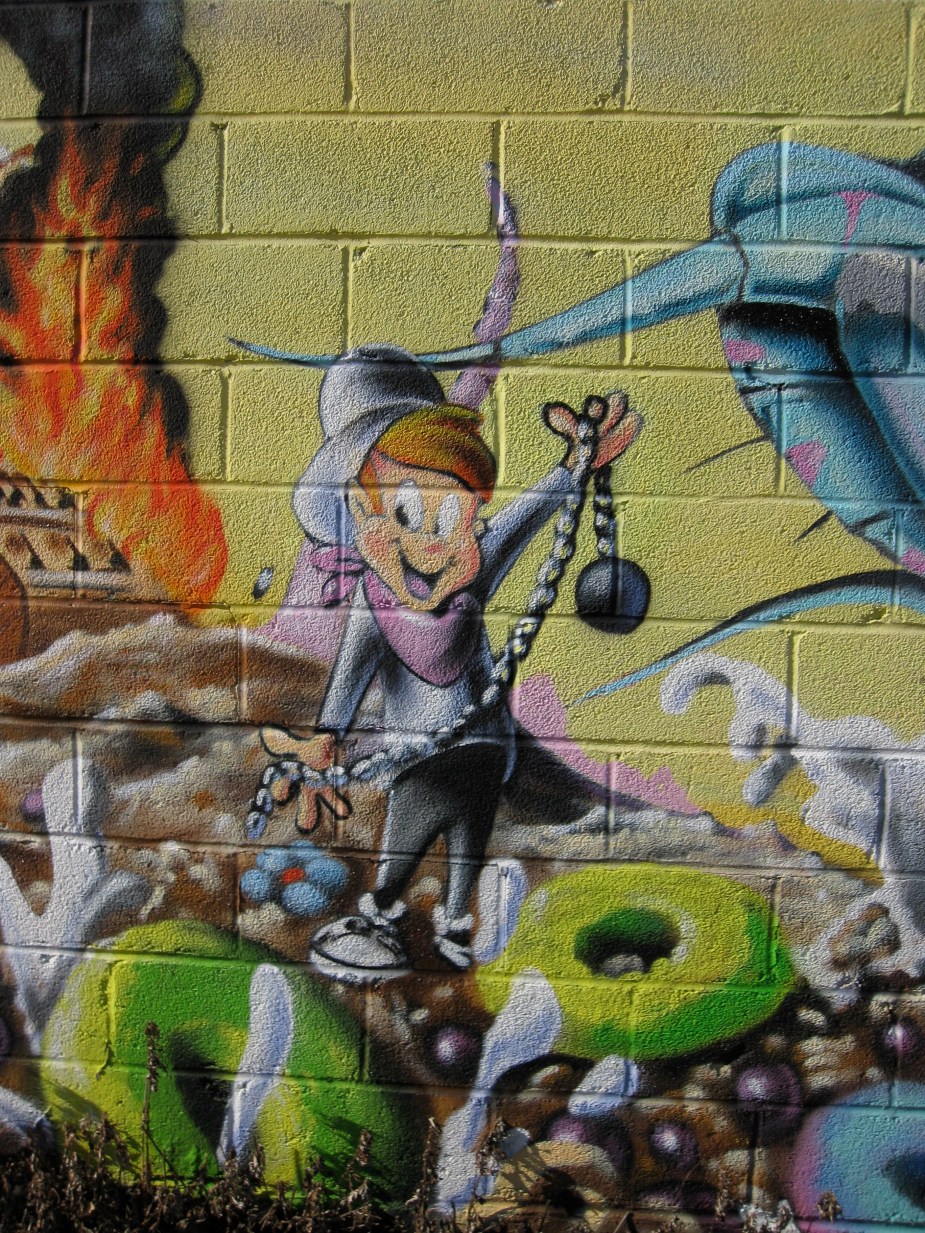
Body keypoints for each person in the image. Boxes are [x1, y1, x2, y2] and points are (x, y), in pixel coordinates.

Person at [262, 343, 639, 980]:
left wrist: (577, 465)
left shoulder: (474, 571)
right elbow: (351, 673)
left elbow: (528, 514)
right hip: (419, 753)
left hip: (484, 747)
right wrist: (326, 738)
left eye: (450, 514)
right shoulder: (372, 602)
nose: (429, 542)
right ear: (361, 510)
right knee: (408, 832)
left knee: (468, 836)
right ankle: (383, 918)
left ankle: (456, 925)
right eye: (405, 512)